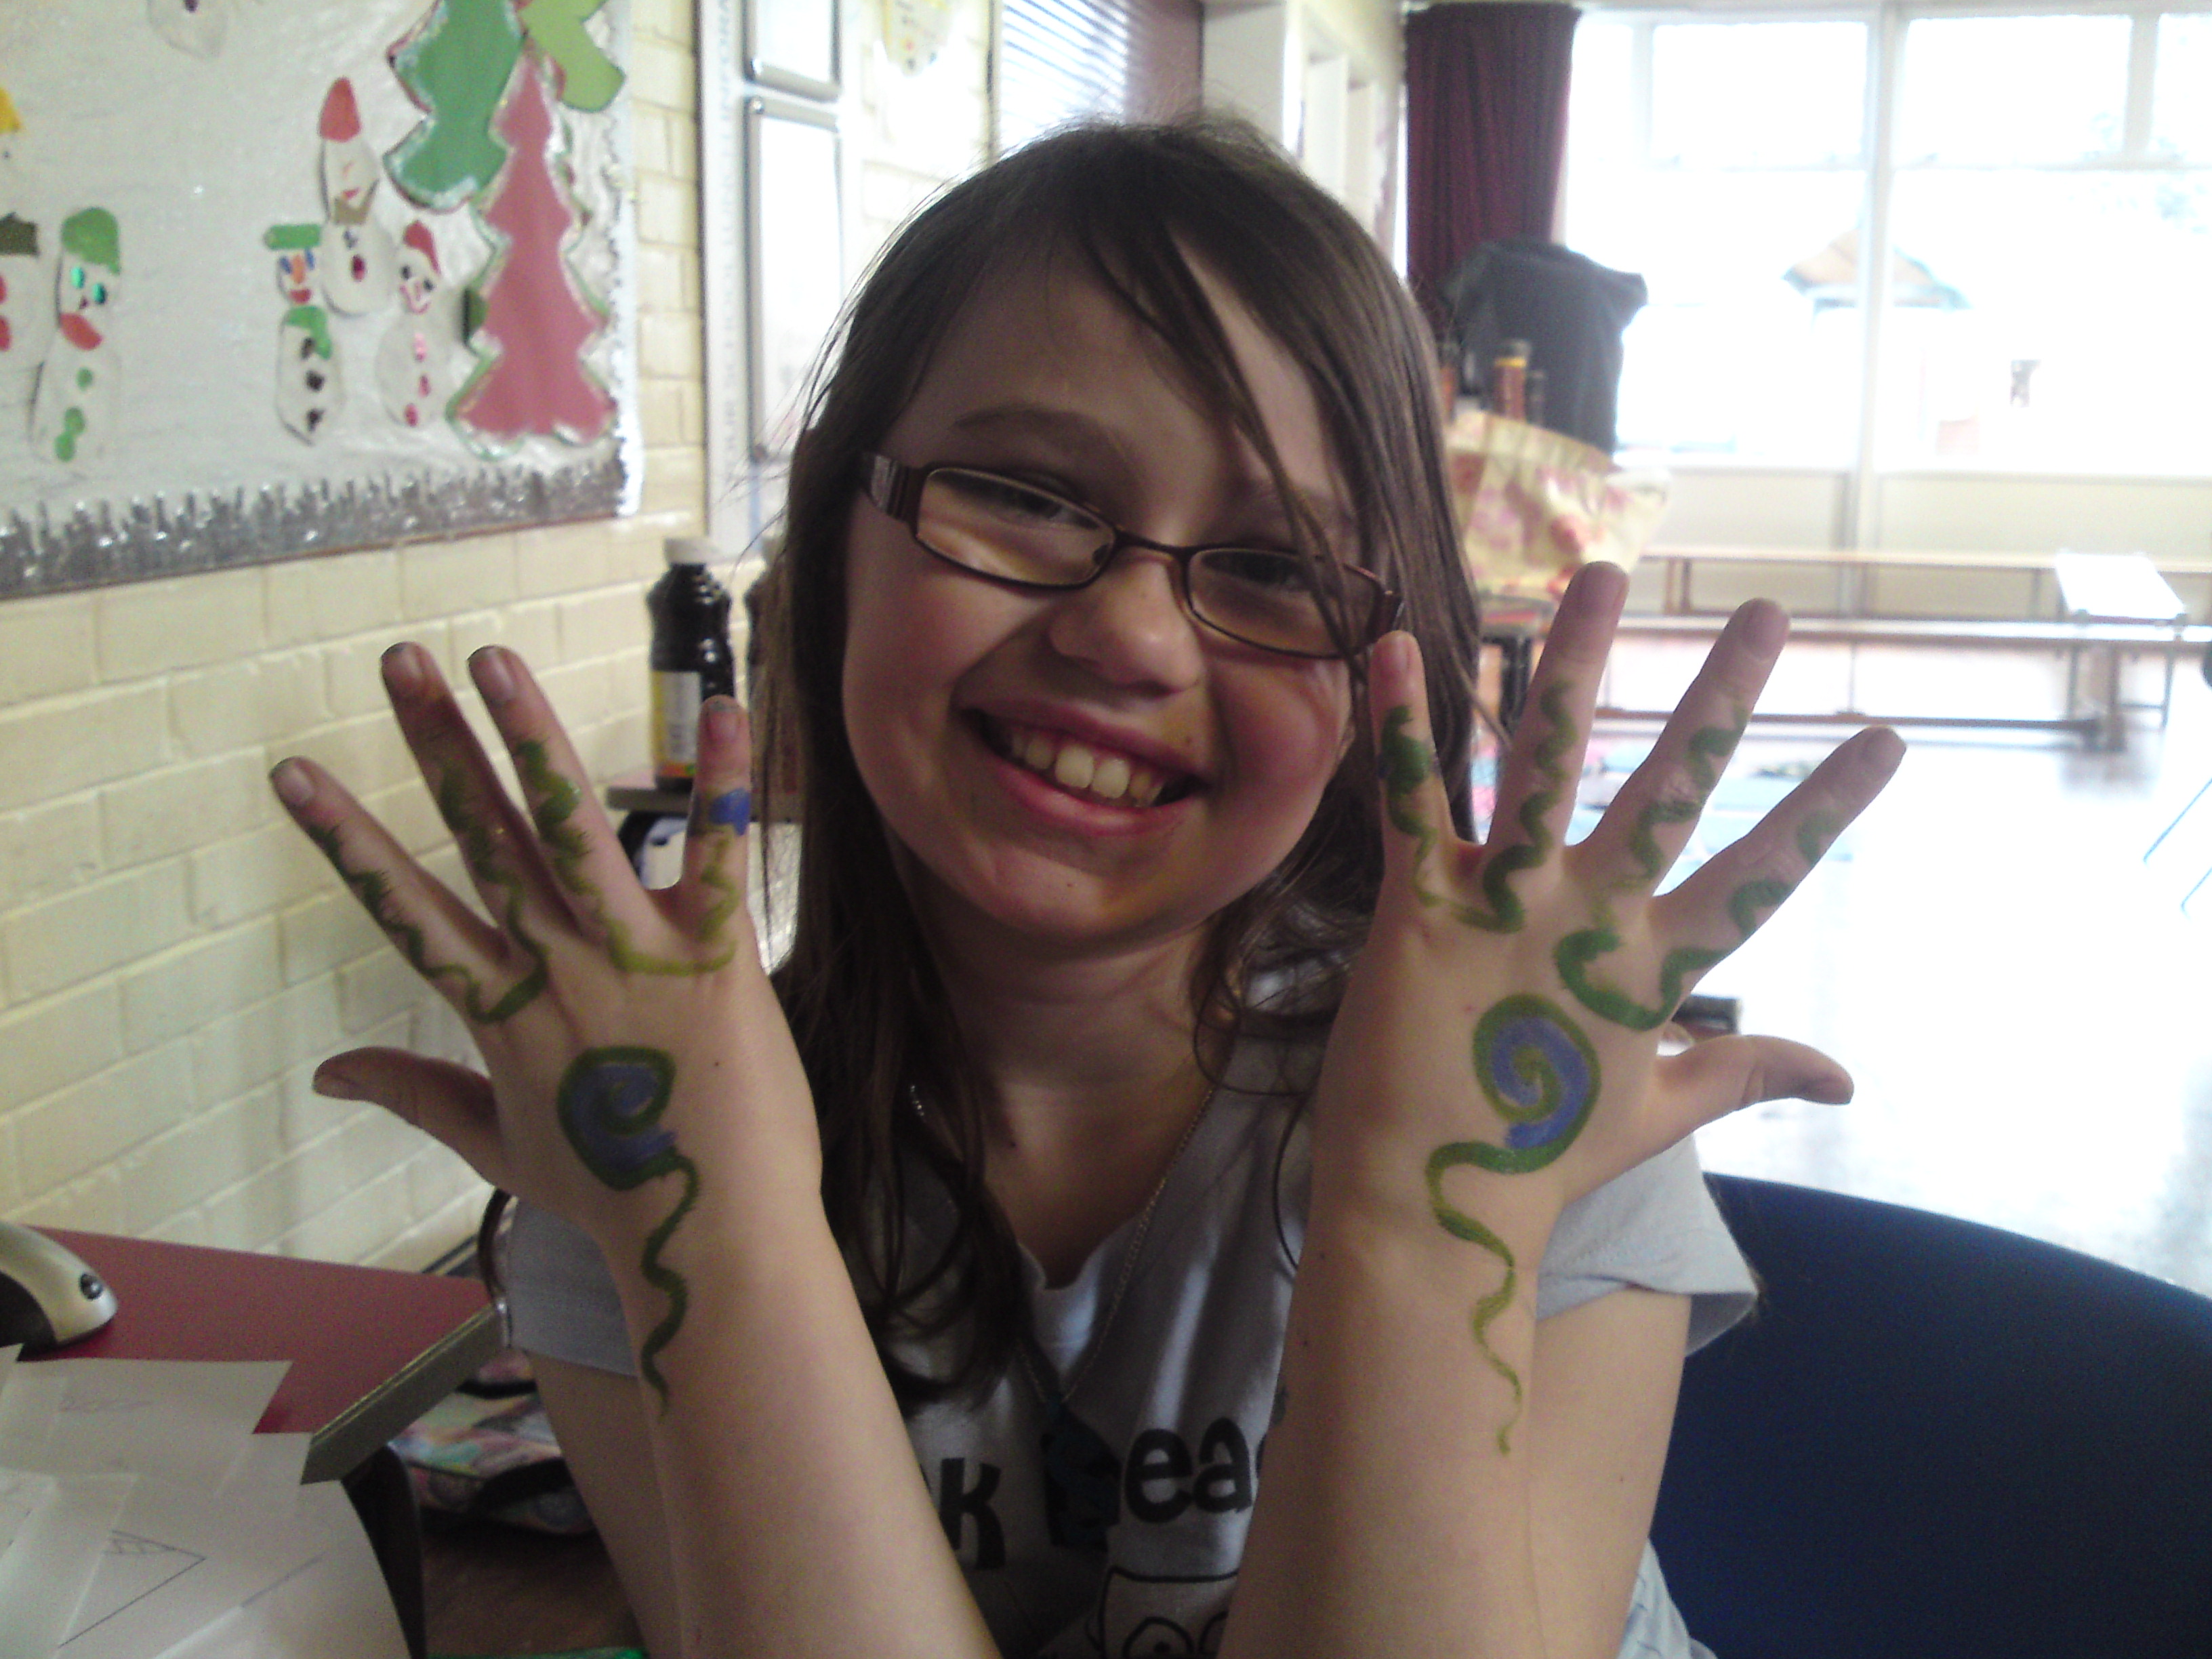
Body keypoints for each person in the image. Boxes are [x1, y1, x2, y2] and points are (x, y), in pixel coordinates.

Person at [268, 119, 1902, 1659]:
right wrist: (728, 1227)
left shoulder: (1525, 1115)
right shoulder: (648, 1154)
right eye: (1028, 498)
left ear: (1375, 679)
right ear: (837, 531)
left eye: (1276, 568)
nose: (1127, 635)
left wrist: (1429, 1221)